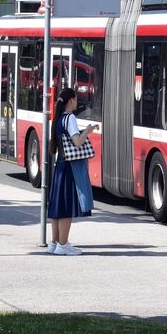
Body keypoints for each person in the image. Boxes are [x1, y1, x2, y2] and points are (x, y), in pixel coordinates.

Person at [47, 86, 95, 256]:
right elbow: (77, 142)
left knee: (57, 207)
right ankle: (63, 244)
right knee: (66, 206)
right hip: (69, 167)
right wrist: (87, 131)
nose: (77, 101)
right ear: (71, 101)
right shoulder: (71, 118)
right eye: (76, 98)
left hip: (60, 165)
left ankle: (54, 243)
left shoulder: (59, 118)